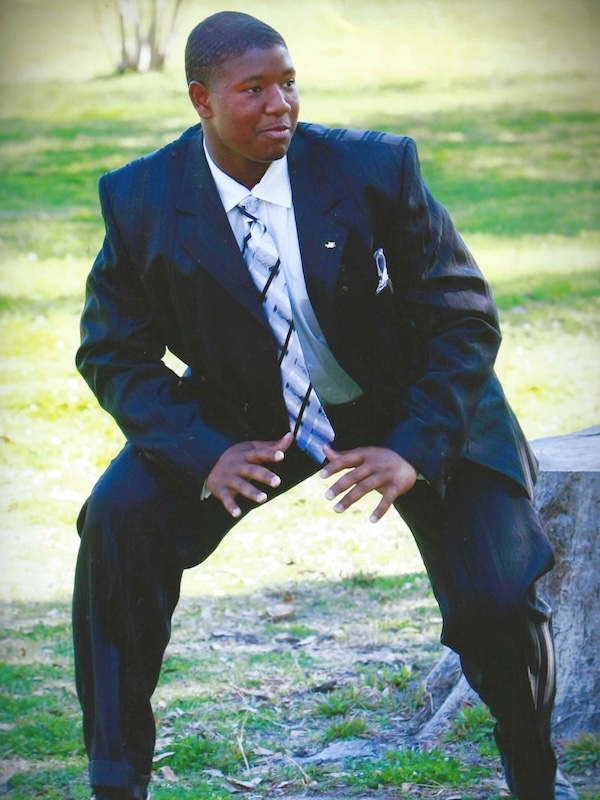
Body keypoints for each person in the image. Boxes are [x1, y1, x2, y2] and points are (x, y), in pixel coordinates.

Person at [72, 11, 577, 800]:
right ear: (201, 101)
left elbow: (464, 316)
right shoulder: (141, 199)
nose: (282, 103)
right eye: (255, 89)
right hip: (249, 410)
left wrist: (413, 444)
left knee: (498, 595)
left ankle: (534, 772)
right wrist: (202, 449)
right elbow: (112, 350)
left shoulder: (373, 170)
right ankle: (114, 777)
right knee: (117, 524)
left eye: (289, 81)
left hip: (414, 396)